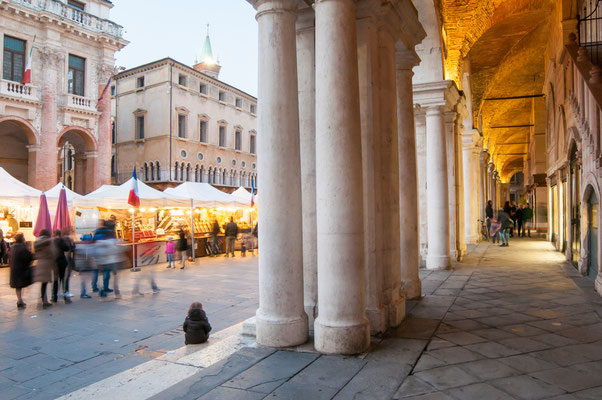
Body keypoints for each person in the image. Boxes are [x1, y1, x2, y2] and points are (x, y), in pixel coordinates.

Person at [34, 229, 56, 308]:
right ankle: (44, 301)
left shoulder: (37, 241)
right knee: (44, 283)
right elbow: (52, 252)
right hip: (46, 264)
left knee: (43, 283)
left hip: (40, 263)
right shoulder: (48, 241)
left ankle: (43, 299)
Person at [9, 234, 33, 309]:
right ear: (22, 240)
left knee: (18, 286)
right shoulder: (23, 248)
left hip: (14, 269)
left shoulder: (13, 247)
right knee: (20, 285)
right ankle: (20, 301)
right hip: (21, 269)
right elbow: (28, 257)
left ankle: (20, 300)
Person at [52, 230, 71, 304]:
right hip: (61, 261)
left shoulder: (52, 241)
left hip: (54, 262)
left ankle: (54, 297)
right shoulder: (61, 240)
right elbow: (67, 248)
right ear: (59, 234)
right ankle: (65, 296)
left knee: (55, 279)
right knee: (63, 279)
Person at [62, 227, 75, 299]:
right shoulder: (68, 240)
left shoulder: (61, 239)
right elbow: (70, 250)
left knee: (62, 277)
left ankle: (62, 291)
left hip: (62, 260)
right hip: (67, 260)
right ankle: (66, 291)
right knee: (67, 276)